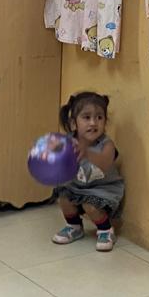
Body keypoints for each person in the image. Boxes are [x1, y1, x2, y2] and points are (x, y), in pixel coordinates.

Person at [51, 90, 123, 252]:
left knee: (90, 204)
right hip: (76, 186)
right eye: (86, 117)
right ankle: (74, 226)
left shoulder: (106, 144)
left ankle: (105, 230)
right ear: (73, 123)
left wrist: (87, 153)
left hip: (102, 189)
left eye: (99, 117)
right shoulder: (69, 141)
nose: (93, 123)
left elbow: (105, 161)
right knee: (63, 197)